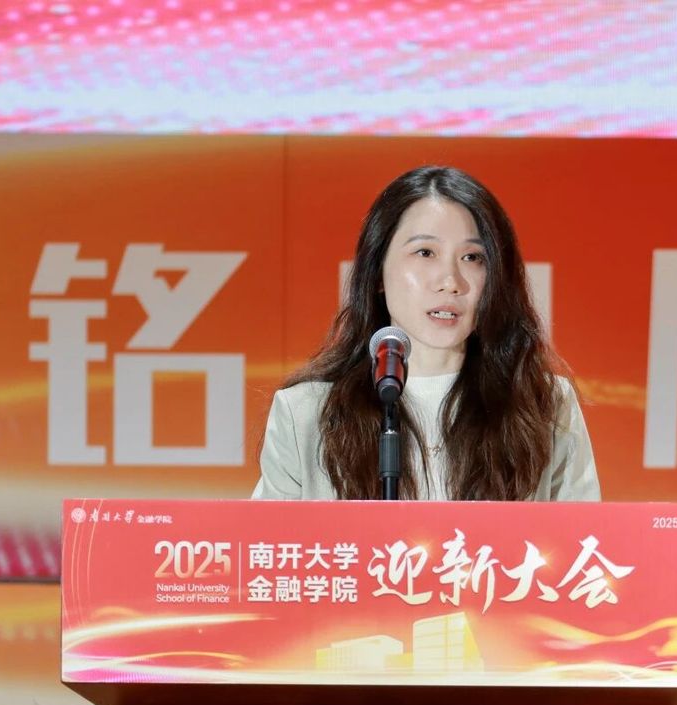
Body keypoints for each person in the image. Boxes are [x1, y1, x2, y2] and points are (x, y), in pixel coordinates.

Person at [252, 165, 599, 502]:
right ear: (377, 271)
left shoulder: (544, 405)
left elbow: (585, 536)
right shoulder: (305, 413)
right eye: (425, 252)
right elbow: (265, 540)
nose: (450, 281)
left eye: (473, 257)